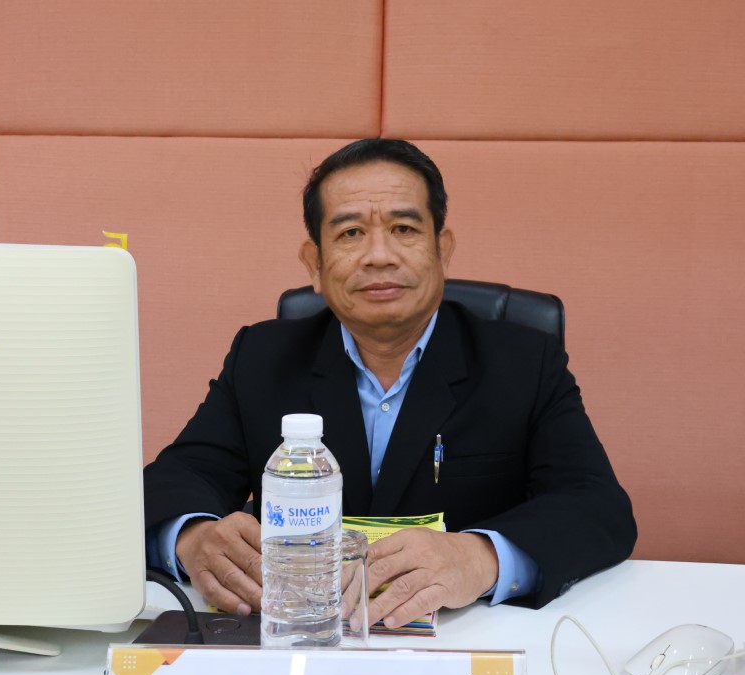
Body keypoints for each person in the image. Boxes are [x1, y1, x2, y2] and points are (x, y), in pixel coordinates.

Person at [145, 138, 636, 628]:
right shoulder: (263, 358)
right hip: (301, 633)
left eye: (404, 229)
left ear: (442, 249)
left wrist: (481, 556)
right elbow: (174, 480)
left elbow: (597, 507)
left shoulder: (523, 363)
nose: (378, 256)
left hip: (467, 632)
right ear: (314, 263)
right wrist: (191, 537)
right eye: (351, 233)